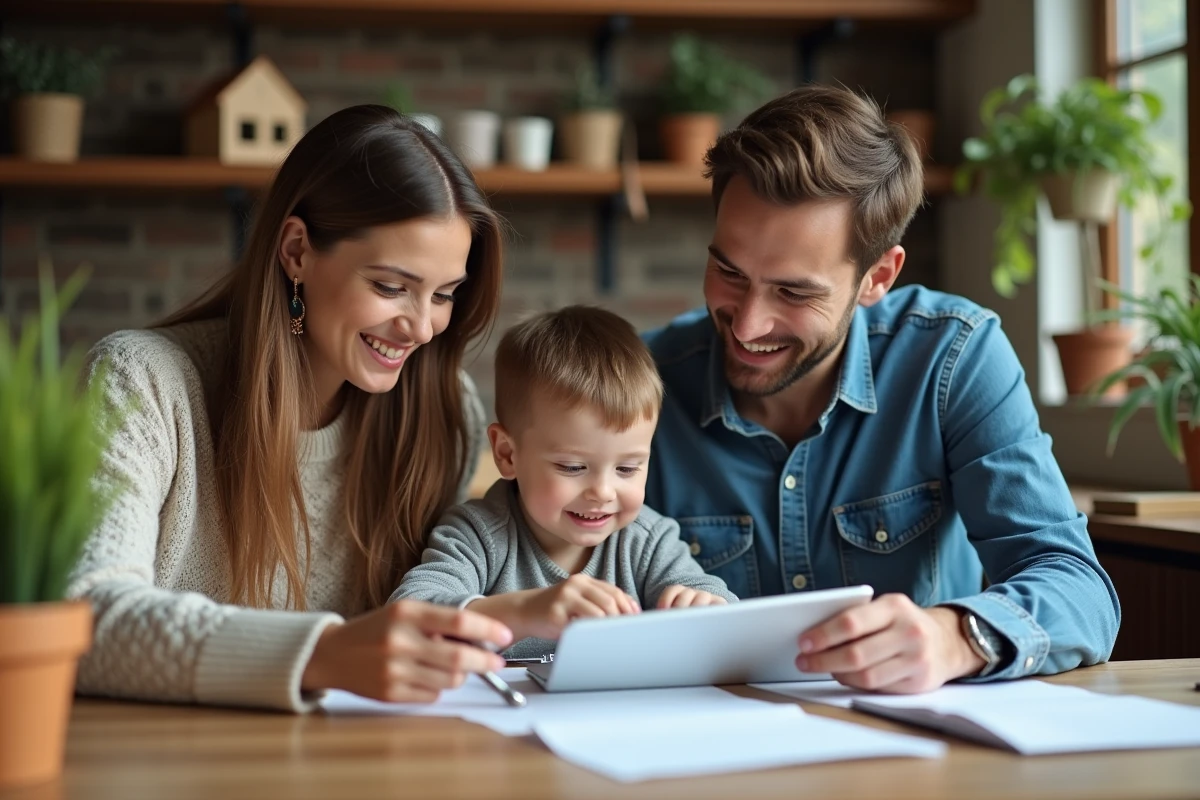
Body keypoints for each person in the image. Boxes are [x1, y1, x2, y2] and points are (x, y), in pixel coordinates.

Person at [643, 85, 1120, 693]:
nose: (747, 323)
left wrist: (956, 637)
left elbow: (1077, 588)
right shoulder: (642, 380)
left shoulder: (953, 359)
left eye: (794, 291)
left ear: (878, 277)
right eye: (729, 272)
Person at [67, 105, 515, 712]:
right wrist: (322, 654)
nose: (420, 327)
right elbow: (83, 618)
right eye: (390, 287)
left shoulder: (443, 410)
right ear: (298, 250)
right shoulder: (141, 382)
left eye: (444, 295)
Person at [392, 306, 735, 659]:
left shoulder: (648, 541)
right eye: (572, 467)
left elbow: (717, 605)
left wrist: (706, 604)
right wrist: (525, 611)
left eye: (627, 469)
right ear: (508, 454)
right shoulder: (477, 535)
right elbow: (410, 614)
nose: (602, 492)